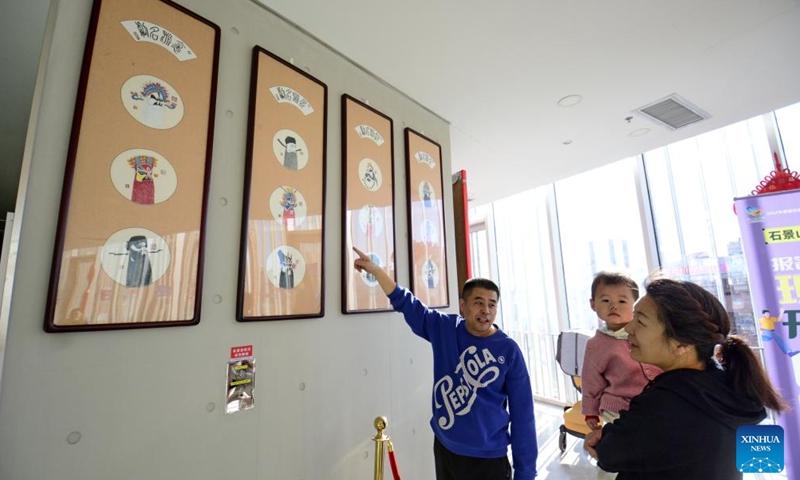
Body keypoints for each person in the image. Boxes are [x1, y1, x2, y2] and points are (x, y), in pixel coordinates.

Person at [352, 247, 538, 480]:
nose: (486, 310)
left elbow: (523, 416)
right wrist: (377, 272)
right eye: (478, 302)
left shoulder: (509, 350)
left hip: (489, 458)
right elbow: (407, 303)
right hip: (446, 448)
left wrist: (526, 474)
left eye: (492, 304)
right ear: (463, 306)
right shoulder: (444, 328)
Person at [584, 278, 787, 480]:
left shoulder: (663, 404)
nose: (629, 328)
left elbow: (609, 454)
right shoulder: (728, 386)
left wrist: (600, 440)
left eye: (641, 321)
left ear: (681, 343)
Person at [581, 272, 661, 429]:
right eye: (605, 300)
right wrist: (590, 411)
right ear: (593, 304)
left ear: (636, 304)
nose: (613, 306)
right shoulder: (595, 345)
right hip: (618, 406)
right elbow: (591, 380)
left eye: (622, 301)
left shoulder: (649, 331)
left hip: (658, 400)